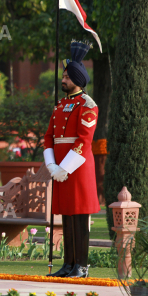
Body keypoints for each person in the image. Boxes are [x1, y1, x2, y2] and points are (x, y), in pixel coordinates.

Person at [44, 40, 100, 279]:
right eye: (63, 75)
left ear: (77, 79)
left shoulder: (87, 105)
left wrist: (63, 168)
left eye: (67, 76)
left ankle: (82, 266)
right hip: (59, 169)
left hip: (76, 169)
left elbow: (84, 141)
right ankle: (68, 264)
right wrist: (51, 166)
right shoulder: (61, 105)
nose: (63, 79)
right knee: (66, 216)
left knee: (79, 217)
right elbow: (49, 138)